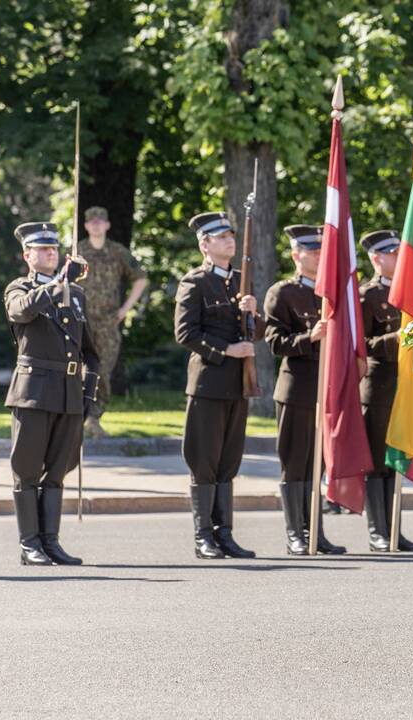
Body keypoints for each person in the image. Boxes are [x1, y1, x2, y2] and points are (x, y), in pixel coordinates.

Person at [4, 222, 99, 565]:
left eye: (54, 249)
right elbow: (21, 311)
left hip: (67, 393)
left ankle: (51, 542)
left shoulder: (77, 295)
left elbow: (90, 352)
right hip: (33, 390)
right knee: (27, 469)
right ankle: (30, 544)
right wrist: (59, 283)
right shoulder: (19, 288)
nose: (50, 253)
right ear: (27, 255)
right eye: (42, 249)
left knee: (57, 470)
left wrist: (88, 391)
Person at [174, 211, 261, 559]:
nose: (229, 239)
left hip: (237, 384)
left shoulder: (242, 281)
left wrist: (255, 313)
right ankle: (203, 537)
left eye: (230, 234)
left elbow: (257, 332)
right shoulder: (194, 283)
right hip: (208, 382)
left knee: (228, 461)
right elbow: (185, 334)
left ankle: (225, 534)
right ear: (204, 244)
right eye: (221, 236)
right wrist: (226, 350)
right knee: (204, 460)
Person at [263, 225, 345, 556]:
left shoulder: (331, 294)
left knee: (318, 465)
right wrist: (309, 337)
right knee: (295, 463)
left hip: (324, 390)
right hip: (296, 389)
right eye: (313, 252)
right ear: (296, 255)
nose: (320, 257)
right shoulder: (283, 293)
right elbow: (274, 341)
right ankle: (295, 533)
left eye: (321, 251)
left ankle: (315, 531)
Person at [359, 229, 413, 552]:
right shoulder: (367, 296)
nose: (400, 259)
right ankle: (377, 531)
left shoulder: (412, 294)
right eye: (393, 254)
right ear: (377, 258)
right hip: (379, 384)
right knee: (376, 460)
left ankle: (394, 528)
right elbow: (361, 345)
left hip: (405, 383)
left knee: (396, 457)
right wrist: (396, 338)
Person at [76, 206, 148, 438]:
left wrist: (125, 309)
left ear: (107, 225)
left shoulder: (117, 251)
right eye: (91, 221)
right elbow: (61, 281)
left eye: (100, 221)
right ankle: (78, 415)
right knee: (78, 369)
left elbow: (141, 278)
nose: (96, 224)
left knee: (103, 370)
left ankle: (94, 417)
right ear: (86, 225)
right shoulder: (78, 251)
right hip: (81, 320)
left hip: (108, 322)